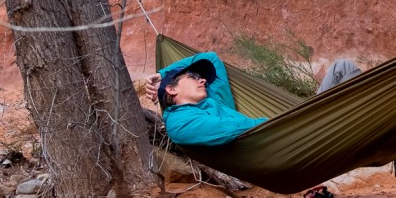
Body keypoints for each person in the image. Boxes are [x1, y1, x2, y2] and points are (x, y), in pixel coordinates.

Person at [145, 53, 363, 148]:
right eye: (193, 77)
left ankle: (384, 141)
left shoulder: (214, 99)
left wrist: (163, 74)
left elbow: (209, 58)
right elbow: (229, 129)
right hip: (284, 140)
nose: (202, 79)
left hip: (294, 127)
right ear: (172, 90)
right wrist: (281, 123)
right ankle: (382, 141)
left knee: (343, 67)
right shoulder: (180, 122)